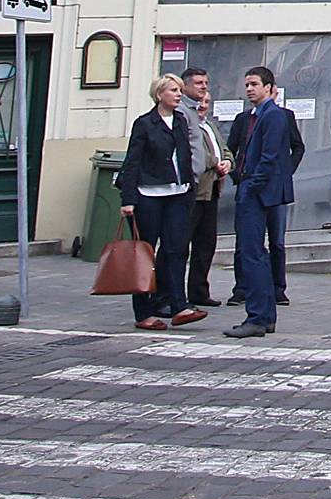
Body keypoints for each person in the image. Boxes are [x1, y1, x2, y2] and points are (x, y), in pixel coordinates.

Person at [117, 74, 204, 332]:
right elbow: (132, 162)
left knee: (176, 249)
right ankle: (143, 311)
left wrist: (189, 185)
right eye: (173, 90)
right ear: (159, 94)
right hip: (149, 194)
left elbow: (186, 155)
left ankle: (179, 305)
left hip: (178, 193)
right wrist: (128, 199)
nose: (178, 94)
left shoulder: (181, 120)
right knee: (146, 253)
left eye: (179, 90)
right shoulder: (145, 124)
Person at [224, 66, 294, 339]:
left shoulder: (273, 116)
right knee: (255, 255)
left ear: (269, 87)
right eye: (247, 85)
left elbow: (270, 156)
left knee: (253, 255)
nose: (249, 89)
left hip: (256, 192)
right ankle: (263, 316)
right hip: (253, 189)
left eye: (254, 84)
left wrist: (250, 184)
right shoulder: (256, 115)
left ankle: (258, 316)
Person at [177, 67, 230, 308]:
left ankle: (199, 291)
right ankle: (173, 294)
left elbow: (223, 148)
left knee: (206, 243)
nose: (203, 87)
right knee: (181, 243)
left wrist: (227, 160)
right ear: (185, 86)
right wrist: (214, 163)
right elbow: (192, 151)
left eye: (206, 83)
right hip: (194, 190)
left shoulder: (208, 124)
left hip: (212, 190)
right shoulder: (183, 116)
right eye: (198, 83)